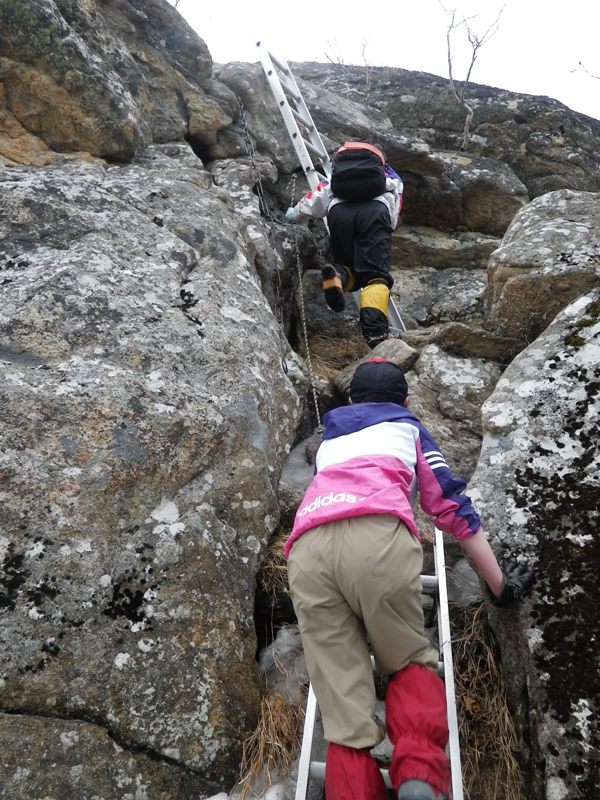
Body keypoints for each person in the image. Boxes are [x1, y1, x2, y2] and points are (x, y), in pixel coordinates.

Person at [284, 358, 535, 800]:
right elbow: (450, 507)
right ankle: (418, 774)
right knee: (407, 661)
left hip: (306, 548)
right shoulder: (407, 427)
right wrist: (499, 586)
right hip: (376, 538)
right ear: (405, 401)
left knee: (342, 704)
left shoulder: (331, 437)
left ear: (352, 399)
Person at [285, 142, 403, 349]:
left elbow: (318, 195)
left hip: (339, 213)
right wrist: (385, 228)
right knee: (376, 276)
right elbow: (395, 203)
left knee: (347, 266)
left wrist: (293, 214)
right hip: (375, 211)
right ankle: (375, 332)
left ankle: (337, 275)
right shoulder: (389, 176)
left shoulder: (338, 176)